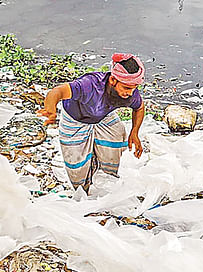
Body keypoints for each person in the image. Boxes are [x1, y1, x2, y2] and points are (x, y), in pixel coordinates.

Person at [38, 53, 146, 192]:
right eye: (126, 88)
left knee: (113, 150)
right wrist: (50, 109)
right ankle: (85, 191)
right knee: (77, 168)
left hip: (103, 116)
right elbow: (58, 91)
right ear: (113, 80)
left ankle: (106, 182)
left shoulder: (129, 92)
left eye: (134, 88)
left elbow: (139, 108)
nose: (130, 93)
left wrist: (134, 132)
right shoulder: (89, 85)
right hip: (75, 120)